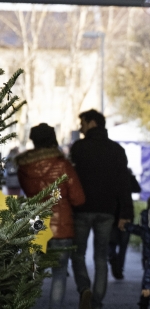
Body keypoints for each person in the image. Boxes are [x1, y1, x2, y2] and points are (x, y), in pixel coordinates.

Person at [16, 123, 85, 309]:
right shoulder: (63, 164)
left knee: (33, 271)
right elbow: (78, 198)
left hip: (36, 223)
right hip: (61, 225)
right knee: (60, 272)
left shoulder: (23, 166)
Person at [70, 109, 134, 309]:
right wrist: (125, 213)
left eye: (82, 123)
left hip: (82, 209)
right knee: (100, 257)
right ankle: (96, 301)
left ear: (92, 123)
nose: (80, 127)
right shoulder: (116, 150)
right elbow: (124, 183)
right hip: (107, 211)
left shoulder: (79, 148)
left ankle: (84, 289)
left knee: (78, 253)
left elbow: (71, 180)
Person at [108, 168, 141, 280]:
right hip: (126, 215)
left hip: (112, 213)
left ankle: (112, 257)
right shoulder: (127, 175)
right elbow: (137, 189)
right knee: (123, 245)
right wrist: (131, 176)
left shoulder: (110, 175)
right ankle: (119, 269)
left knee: (111, 242)